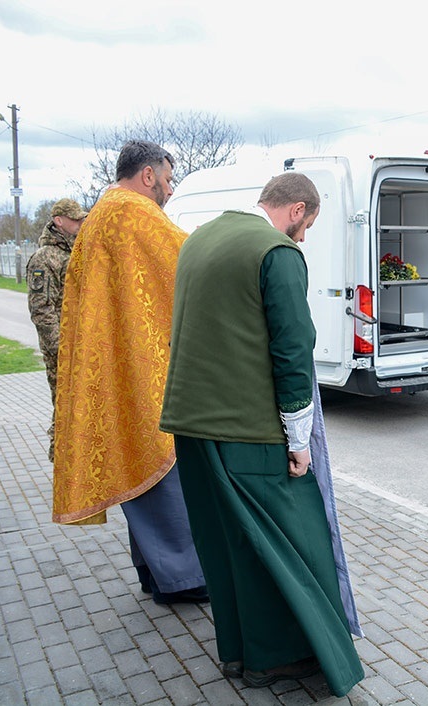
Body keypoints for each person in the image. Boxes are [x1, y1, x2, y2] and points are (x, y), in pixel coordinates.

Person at [159, 172, 363, 693]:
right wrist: (299, 441)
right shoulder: (276, 252)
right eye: (307, 224)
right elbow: (292, 350)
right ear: (296, 209)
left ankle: (238, 654)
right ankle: (279, 659)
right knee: (292, 540)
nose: (304, 237)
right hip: (247, 428)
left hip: (191, 424)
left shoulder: (199, 239)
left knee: (226, 542)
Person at [52, 140, 208, 605]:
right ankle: (183, 580)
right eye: (168, 179)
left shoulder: (100, 213)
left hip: (116, 366)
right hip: (142, 370)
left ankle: (154, 572)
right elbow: (189, 261)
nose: (170, 190)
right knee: (162, 470)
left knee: (140, 471)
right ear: (148, 175)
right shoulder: (135, 213)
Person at [26, 197, 88, 461]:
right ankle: (61, 461)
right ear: (58, 221)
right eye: (75, 219)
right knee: (64, 407)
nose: (79, 223)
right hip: (62, 351)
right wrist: (60, 348)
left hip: (81, 345)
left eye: (81, 218)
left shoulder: (74, 252)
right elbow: (41, 310)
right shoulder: (44, 258)